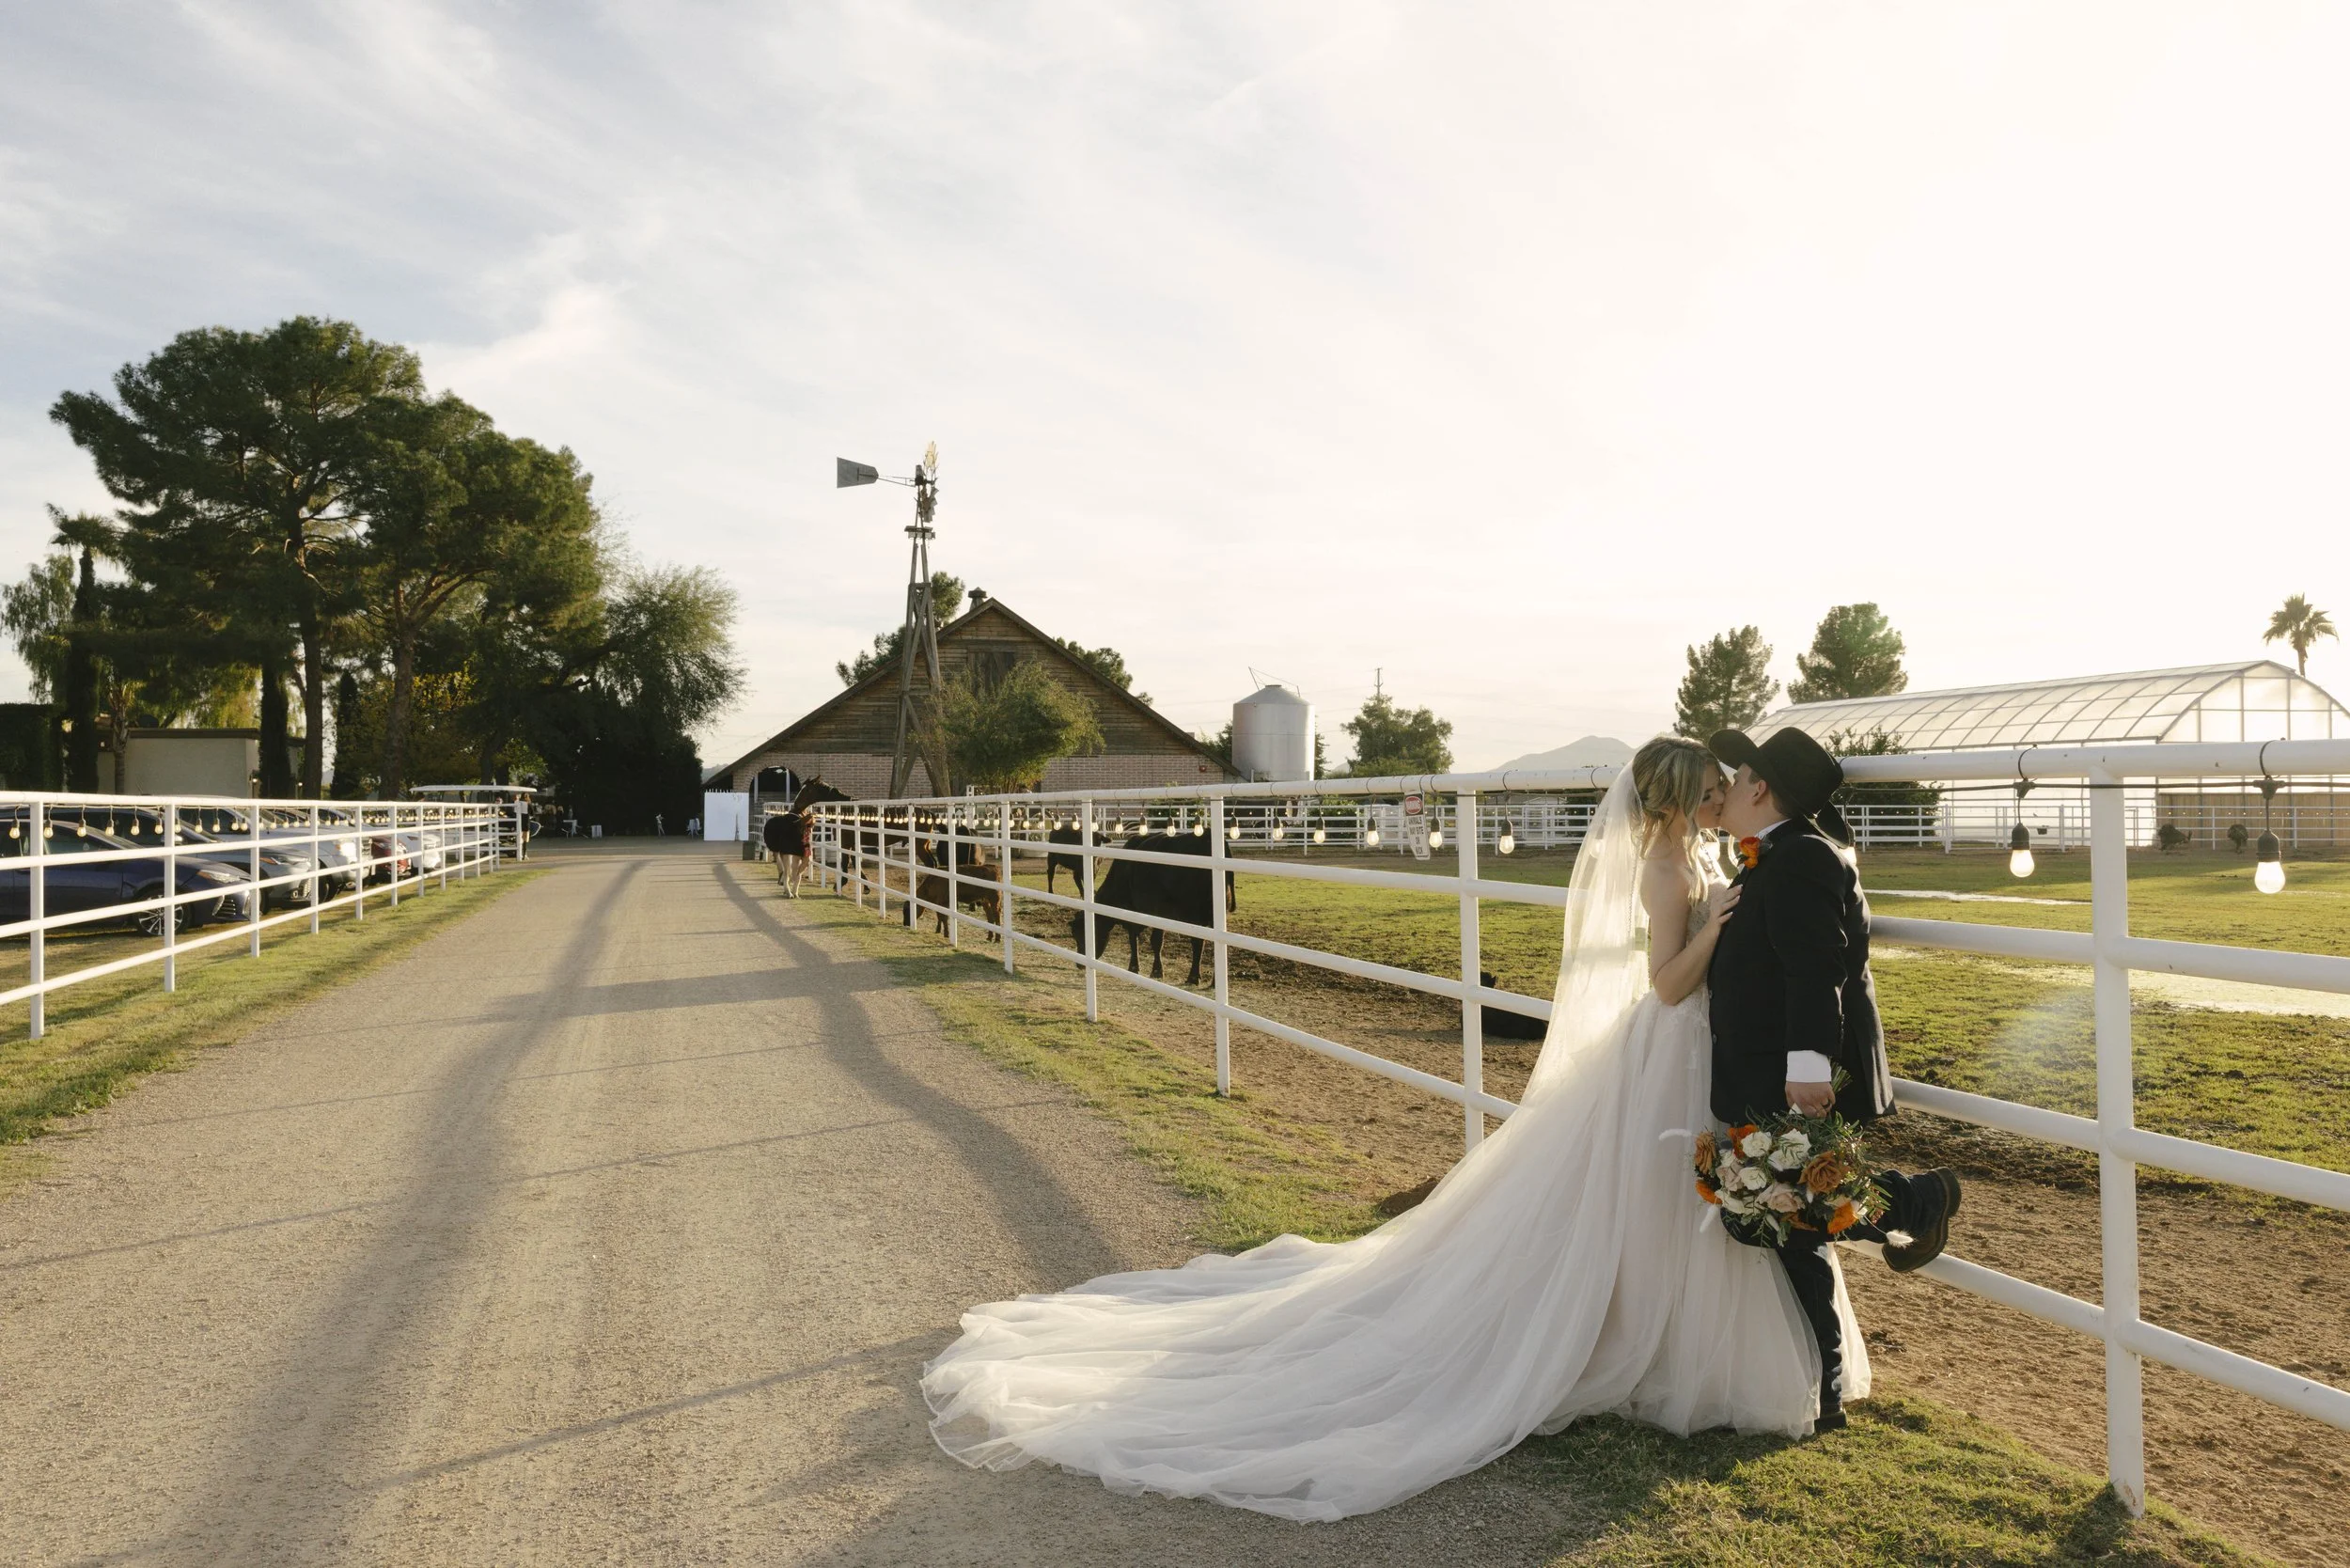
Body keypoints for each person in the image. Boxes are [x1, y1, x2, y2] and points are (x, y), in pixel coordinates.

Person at [921, 736, 1917, 1522]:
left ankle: (1704, 1339)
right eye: (1708, 788)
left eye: (1729, 786)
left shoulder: (1708, 851)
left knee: (1678, 1201)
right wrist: (1714, 925)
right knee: (1657, 1197)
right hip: (1669, 1044)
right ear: (1671, 801)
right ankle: (1662, 1338)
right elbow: (1663, 984)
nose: (1722, 796)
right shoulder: (1668, 868)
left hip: (1697, 1056)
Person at [1704, 725, 1961, 1432]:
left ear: (1759, 788)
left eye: (1735, 775)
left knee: (1781, 1216)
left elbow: (1816, 970)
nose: (1724, 786)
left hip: (1796, 1070)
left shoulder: (1801, 859)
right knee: (1788, 1217)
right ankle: (1904, 1211)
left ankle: (1910, 1202)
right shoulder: (1773, 855)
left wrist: (1810, 1069)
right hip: (1772, 1064)